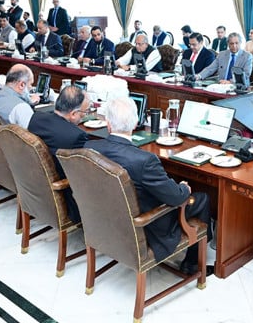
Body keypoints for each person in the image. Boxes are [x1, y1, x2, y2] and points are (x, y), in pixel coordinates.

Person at [85, 96, 212, 274]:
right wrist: (183, 188)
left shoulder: (89, 148)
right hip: (146, 228)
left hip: (105, 220)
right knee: (202, 198)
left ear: (108, 123)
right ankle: (191, 264)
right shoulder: (145, 161)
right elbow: (176, 198)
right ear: (135, 123)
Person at [28, 85, 90, 224]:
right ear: (73, 113)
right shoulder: (76, 136)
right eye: (84, 113)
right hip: (63, 197)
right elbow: (79, 173)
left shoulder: (36, 118)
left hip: (33, 186)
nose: (84, 116)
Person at [0, 64, 40, 129]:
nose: (31, 88)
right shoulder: (21, 108)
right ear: (22, 85)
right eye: (30, 84)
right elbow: (32, 135)